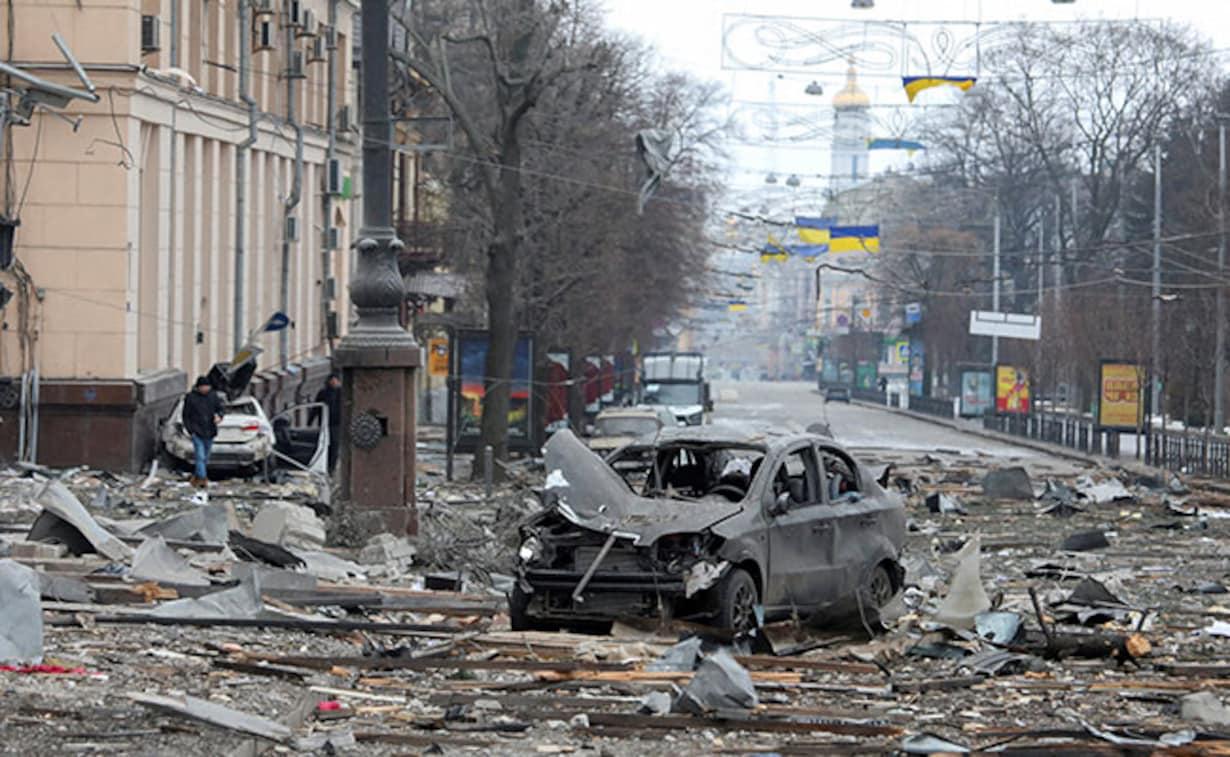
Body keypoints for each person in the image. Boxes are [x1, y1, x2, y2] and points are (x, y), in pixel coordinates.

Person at [182, 375, 224, 488]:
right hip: (197, 431)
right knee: (199, 456)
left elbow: (220, 409)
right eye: (204, 387)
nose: (206, 389)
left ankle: (196, 477)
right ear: (199, 387)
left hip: (210, 430)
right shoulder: (191, 398)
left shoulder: (213, 396)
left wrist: (219, 416)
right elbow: (186, 415)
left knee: (205, 457)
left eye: (207, 386)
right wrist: (190, 430)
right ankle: (202, 479)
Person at [314, 372, 342, 472]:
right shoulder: (323, 393)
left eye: (335, 381)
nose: (333, 383)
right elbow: (316, 408)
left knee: (335, 445)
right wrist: (311, 420)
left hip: (337, 423)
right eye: (332, 381)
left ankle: (331, 467)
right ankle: (324, 465)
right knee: (324, 444)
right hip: (325, 423)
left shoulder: (341, 393)